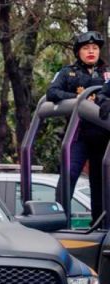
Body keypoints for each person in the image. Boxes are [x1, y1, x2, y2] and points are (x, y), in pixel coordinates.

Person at [55, 31, 110, 224]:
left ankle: (100, 225)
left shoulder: (107, 73)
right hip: (78, 134)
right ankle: (59, 220)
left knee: (100, 183)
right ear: (78, 52)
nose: (91, 51)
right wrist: (78, 99)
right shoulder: (68, 72)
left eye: (95, 48)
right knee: (69, 174)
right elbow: (53, 92)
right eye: (86, 48)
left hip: (103, 137)